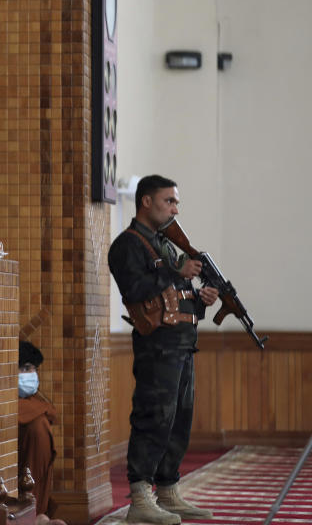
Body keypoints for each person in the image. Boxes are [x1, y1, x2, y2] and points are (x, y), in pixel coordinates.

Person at [108, 174, 218, 524]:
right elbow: (137, 290)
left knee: (178, 421)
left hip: (182, 343)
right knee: (153, 416)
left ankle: (168, 491)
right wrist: (176, 270)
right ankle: (141, 496)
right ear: (146, 201)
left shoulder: (167, 245)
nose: (175, 207)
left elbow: (174, 298)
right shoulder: (128, 244)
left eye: (176, 202)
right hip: (157, 346)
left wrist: (202, 301)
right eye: (169, 201)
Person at [17, 341, 66, 525]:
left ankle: (38, 513)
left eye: (34, 369)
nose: (32, 375)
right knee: (38, 426)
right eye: (26, 368)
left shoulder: (34, 401)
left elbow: (50, 411)